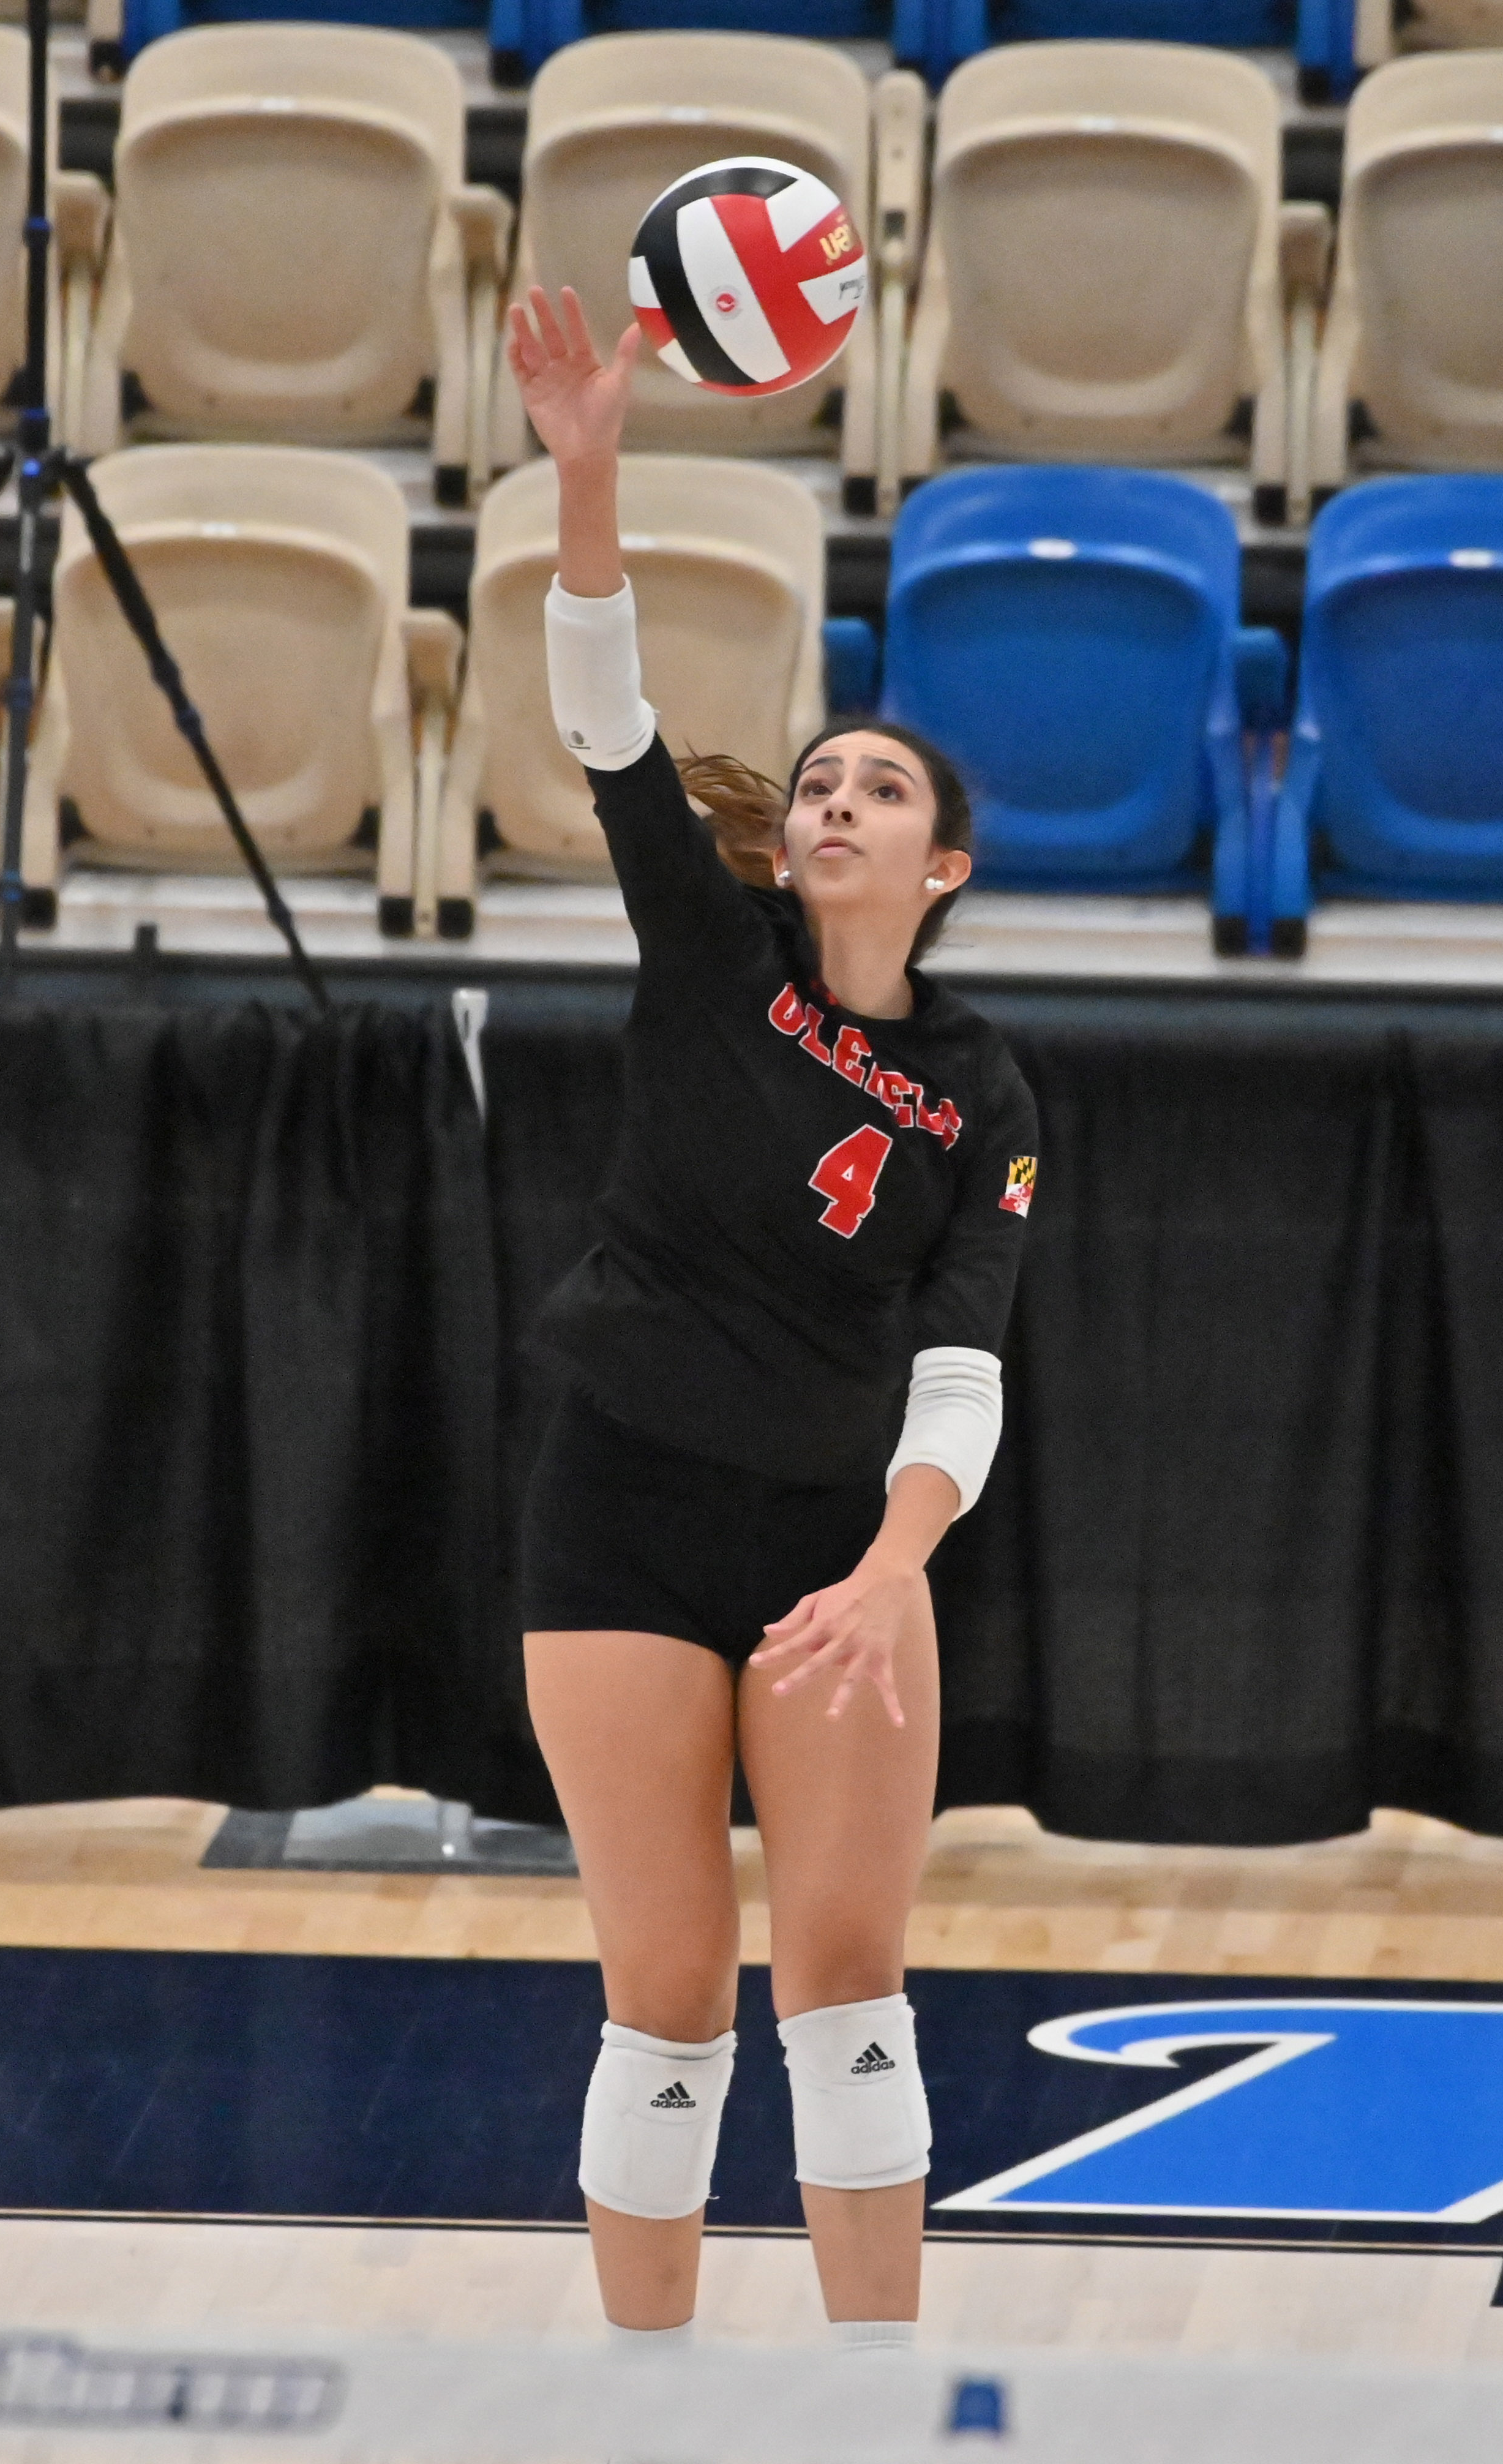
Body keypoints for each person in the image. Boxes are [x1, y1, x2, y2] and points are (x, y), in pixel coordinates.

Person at [508, 287, 1038, 2354]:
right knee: (662, 1996)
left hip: (836, 1545)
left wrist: (891, 1571)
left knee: (846, 1989)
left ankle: (869, 2408)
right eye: (817, 779)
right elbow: (606, 716)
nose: (829, 801)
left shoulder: (982, 1090)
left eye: (876, 789)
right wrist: (586, 472)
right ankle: (644, 2405)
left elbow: (962, 1361)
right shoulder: (712, 952)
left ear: (942, 862)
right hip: (621, 1518)